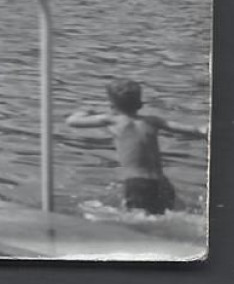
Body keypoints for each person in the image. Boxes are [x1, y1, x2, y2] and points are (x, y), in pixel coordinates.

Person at [66, 79, 207, 215]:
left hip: (137, 184)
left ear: (112, 105)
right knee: (164, 215)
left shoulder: (112, 120)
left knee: (139, 221)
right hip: (162, 182)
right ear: (140, 104)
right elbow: (196, 130)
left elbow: (72, 122)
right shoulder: (153, 121)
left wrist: (86, 110)